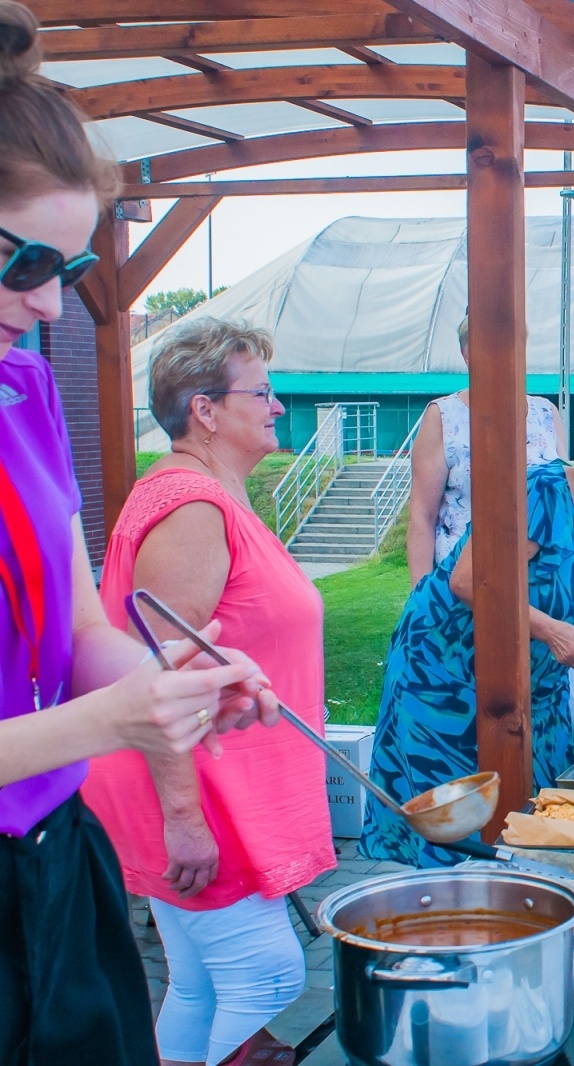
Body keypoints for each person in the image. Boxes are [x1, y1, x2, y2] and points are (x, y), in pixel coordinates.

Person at [0, 8, 279, 1062]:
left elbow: (75, 626)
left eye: (66, 272)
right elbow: (87, 707)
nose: (49, 306)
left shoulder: (22, 385)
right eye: (24, 261)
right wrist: (114, 722)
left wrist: (170, 676)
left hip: (53, 863)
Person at [82, 318, 337, 1066]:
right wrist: (184, 816)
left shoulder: (216, 494)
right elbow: (156, 672)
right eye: (261, 392)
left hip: (222, 791)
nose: (277, 407)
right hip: (200, 797)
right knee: (269, 976)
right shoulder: (191, 505)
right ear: (205, 409)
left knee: (197, 987)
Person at [362, 400, 574, 868]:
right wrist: (550, 629)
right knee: (456, 824)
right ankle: (451, 925)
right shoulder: (539, 494)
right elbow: (468, 580)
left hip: (535, 685)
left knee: (540, 815)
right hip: (447, 670)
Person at [407, 313, 564, 585]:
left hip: (540, 585)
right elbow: (422, 516)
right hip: (459, 585)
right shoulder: (443, 416)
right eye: (488, 345)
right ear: (466, 354)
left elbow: (564, 505)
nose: (502, 354)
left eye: (512, 343)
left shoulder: (547, 414)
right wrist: (420, 599)